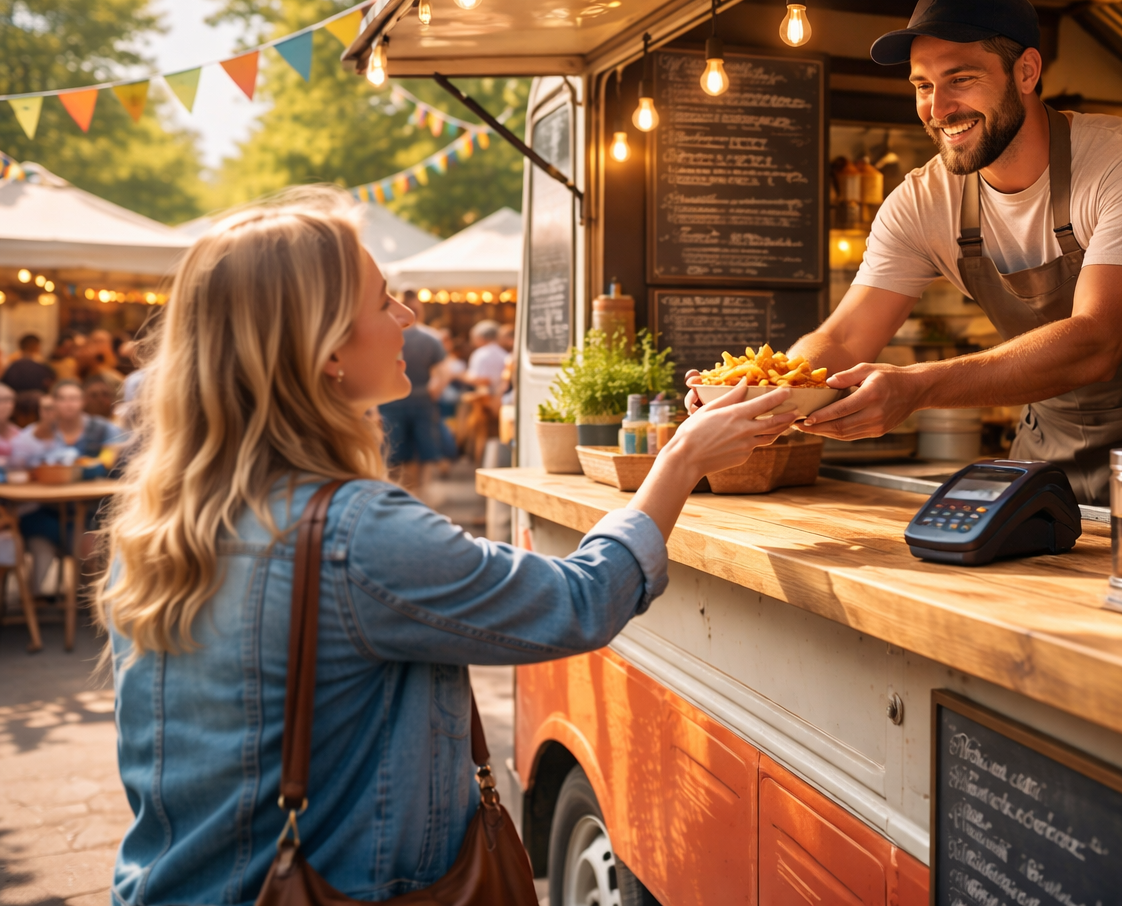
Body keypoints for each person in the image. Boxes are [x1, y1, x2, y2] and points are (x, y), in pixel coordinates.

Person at [95, 188, 795, 904]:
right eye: (383, 300)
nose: (409, 316)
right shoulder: (353, 531)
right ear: (326, 348)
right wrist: (680, 459)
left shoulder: (157, 523)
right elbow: (579, 600)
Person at [751, 0, 1122, 515]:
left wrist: (916, 385)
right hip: (1047, 460)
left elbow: (1097, 341)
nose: (938, 108)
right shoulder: (921, 202)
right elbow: (842, 338)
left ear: (1026, 72)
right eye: (922, 85)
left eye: (961, 79)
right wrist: (770, 390)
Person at [11, 379, 127, 592]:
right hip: (44, 508)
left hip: (90, 507)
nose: (68, 404)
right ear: (53, 403)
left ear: (82, 401)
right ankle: (87, 592)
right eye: (62, 399)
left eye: (73, 398)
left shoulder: (101, 429)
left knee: (93, 528)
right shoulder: (41, 432)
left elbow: (110, 458)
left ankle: (89, 593)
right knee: (75, 534)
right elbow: (19, 461)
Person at [376, 320, 448, 493]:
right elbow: (443, 372)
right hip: (421, 400)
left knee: (393, 452)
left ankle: (396, 493)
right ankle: (421, 493)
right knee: (425, 450)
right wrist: (434, 391)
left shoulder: (385, 335)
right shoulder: (431, 338)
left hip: (391, 399)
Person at [463, 318, 508, 394]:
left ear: (480, 337)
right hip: (502, 397)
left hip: (488, 399)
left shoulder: (480, 354)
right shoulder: (504, 353)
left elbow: (481, 380)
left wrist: (459, 375)